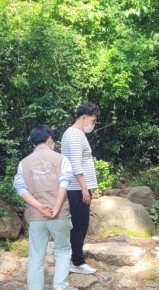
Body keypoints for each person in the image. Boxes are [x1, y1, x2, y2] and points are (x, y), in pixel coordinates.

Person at [13, 126, 75, 290]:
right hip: (60, 214)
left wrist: (39, 206)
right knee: (63, 250)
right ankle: (60, 289)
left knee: (36, 256)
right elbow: (64, 183)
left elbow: (20, 188)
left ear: (33, 142)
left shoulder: (24, 163)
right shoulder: (62, 159)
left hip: (36, 216)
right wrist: (55, 206)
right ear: (50, 139)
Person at [61, 102, 100, 274]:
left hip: (76, 187)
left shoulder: (73, 134)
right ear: (83, 117)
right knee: (80, 225)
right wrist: (85, 188)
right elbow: (76, 164)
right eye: (92, 120)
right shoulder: (75, 135)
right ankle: (76, 262)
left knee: (77, 224)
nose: (93, 124)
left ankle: (72, 258)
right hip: (77, 188)